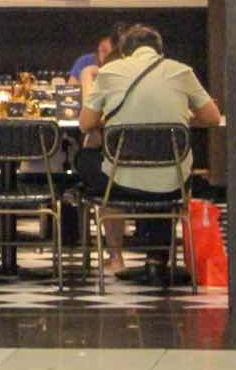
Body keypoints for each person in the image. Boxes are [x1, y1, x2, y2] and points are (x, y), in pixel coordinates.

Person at [76, 24, 220, 276]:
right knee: (162, 168)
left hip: (119, 185)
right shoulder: (182, 71)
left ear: (125, 52)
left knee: (85, 158)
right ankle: (157, 260)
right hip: (173, 186)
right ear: (160, 51)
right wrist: (182, 116)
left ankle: (115, 255)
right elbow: (212, 118)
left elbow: (86, 124)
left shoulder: (109, 72)